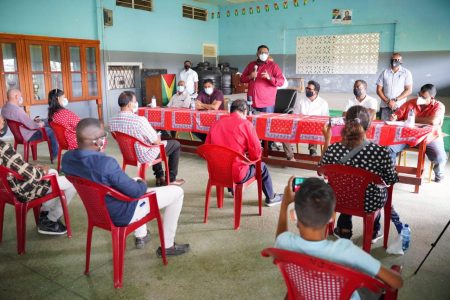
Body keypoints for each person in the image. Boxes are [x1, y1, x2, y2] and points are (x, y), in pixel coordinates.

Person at [62, 118, 190, 255]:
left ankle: (142, 235)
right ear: (97, 141)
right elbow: (136, 193)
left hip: (98, 211)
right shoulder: (106, 163)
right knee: (177, 192)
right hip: (122, 213)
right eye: (103, 136)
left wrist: (137, 181)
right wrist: (142, 184)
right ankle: (168, 246)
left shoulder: (67, 159)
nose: (104, 140)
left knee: (136, 179)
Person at [275, 177, 403, 299]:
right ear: (332, 217)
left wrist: (284, 204)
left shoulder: (285, 243)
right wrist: (397, 273)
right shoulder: (346, 250)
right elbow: (397, 283)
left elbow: (280, 236)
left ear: (293, 216)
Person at [319, 106, 402, 240]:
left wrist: (327, 140)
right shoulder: (381, 152)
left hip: (338, 199)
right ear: (369, 125)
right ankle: (374, 232)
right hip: (368, 202)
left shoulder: (333, 148)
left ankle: (344, 229)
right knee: (376, 191)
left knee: (347, 187)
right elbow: (390, 180)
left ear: (346, 123)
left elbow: (321, 169)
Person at [0, 115, 76, 235]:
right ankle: (50, 221)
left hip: (6, 188)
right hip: (22, 190)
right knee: (71, 183)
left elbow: (14, 166)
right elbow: (33, 176)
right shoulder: (3, 148)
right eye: (1, 119)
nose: (3, 121)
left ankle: (45, 211)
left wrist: (31, 167)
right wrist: (43, 170)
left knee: (54, 173)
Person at [205, 99, 283, 207]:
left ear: (230, 110)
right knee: (262, 167)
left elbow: (207, 148)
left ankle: (232, 189)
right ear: (245, 111)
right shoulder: (246, 124)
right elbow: (256, 155)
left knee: (227, 159)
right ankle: (271, 197)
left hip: (216, 172)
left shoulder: (216, 123)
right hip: (237, 174)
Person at [109, 91, 185, 186]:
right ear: (129, 104)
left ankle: (159, 177)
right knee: (175, 144)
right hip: (143, 155)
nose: (136, 104)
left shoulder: (111, 121)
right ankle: (171, 179)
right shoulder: (139, 120)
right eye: (135, 101)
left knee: (152, 144)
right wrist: (157, 136)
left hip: (128, 154)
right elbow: (156, 142)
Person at [388, 84, 447, 182]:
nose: (420, 98)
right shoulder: (410, 103)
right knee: (389, 149)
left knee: (440, 157)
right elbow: (398, 115)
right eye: (419, 95)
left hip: (430, 138)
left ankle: (439, 174)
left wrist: (412, 118)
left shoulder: (439, 106)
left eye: (423, 97)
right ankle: (390, 172)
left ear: (432, 97)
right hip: (407, 136)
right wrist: (394, 117)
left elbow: (433, 121)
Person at [2, 88, 58, 159]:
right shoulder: (17, 110)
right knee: (51, 128)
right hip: (29, 134)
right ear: (16, 96)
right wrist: (40, 124)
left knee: (44, 121)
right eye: (20, 96)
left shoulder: (4, 108)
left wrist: (35, 121)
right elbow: (32, 126)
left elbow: (21, 121)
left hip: (19, 135)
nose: (21, 98)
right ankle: (55, 155)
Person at [240, 45, 285, 113]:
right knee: (252, 122)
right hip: (252, 102)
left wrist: (269, 78)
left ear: (268, 54)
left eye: (265, 53)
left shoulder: (273, 66)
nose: (263, 54)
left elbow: (281, 82)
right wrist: (250, 76)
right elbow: (242, 79)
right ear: (257, 54)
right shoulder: (251, 65)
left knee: (266, 122)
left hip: (266, 104)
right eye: (261, 52)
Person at [291, 80, 329, 157]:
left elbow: (325, 118)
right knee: (288, 128)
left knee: (315, 127)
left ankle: (312, 149)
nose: (307, 90)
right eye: (306, 88)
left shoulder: (323, 103)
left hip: (315, 127)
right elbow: (295, 115)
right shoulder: (301, 100)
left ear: (316, 91)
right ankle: (290, 152)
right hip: (301, 125)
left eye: (309, 89)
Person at [376, 53, 413, 120]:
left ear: (401, 61)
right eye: (392, 59)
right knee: (384, 127)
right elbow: (379, 90)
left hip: (399, 106)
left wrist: (395, 100)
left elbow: (409, 90)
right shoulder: (384, 72)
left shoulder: (406, 73)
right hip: (385, 106)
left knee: (398, 127)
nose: (394, 61)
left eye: (397, 60)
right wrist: (388, 101)